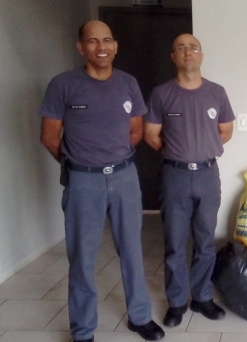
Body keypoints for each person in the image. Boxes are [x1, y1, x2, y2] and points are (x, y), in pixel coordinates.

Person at [39, 21, 165, 342]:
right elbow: (50, 137)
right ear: (81, 47)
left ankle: (140, 317)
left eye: (107, 40)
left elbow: (136, 130)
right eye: (93, 41)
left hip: (124, 178)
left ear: (115, 45)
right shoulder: (63, 84)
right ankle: (83, 331)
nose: (101, 47)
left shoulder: (128, 83)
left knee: (131, 250)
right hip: (83, 182)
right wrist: (80, 163)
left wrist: (114, 157)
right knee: (82, 257)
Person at [144, 33, 235, 327]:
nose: (187, 52)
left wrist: (201, 153)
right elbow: (151, 135)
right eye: (180, 48)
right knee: (174, 242)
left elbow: (225, 131)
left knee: (206, 241)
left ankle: (202, 297)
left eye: (192, 47)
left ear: (201, 55)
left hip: (208, 175)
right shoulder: (161, 94)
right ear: (174, 57)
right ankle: (177, 302)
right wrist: (177, 154)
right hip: (175, 177)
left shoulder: (217, 93)